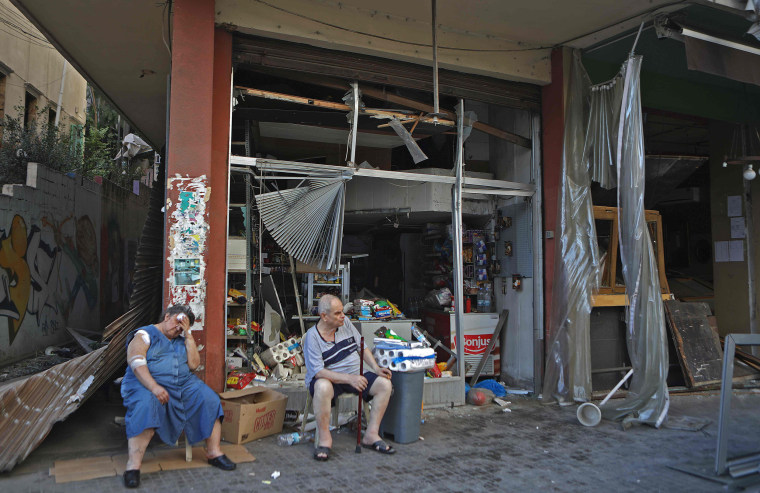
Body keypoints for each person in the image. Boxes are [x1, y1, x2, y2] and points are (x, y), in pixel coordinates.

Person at [120, 305, 235, 488]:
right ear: (167, 316)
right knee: (146, 405)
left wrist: (188, 334)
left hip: (182, 384)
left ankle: (214, 453)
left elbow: (194, 365)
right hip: (145, 383)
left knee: (209, 398)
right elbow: (136, 362)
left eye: (182, 327)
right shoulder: (144, 334)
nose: (178, 329)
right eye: (177, 323)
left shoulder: (183, 338)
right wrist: (154, 387)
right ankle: (133, 467)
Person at [303, 294, 396, 461]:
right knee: (322, 386)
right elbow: (319, 372)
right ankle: (325, 440)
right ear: (324, 316)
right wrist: (349, 379)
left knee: (384, 385)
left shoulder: (345, 323)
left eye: (342, 312)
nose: (343, 316)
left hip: (355, 374)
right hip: (330, 378)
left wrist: (376, 368)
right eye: (338, 313)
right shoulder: (312, 337)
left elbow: (363, 347)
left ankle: (371, 435)